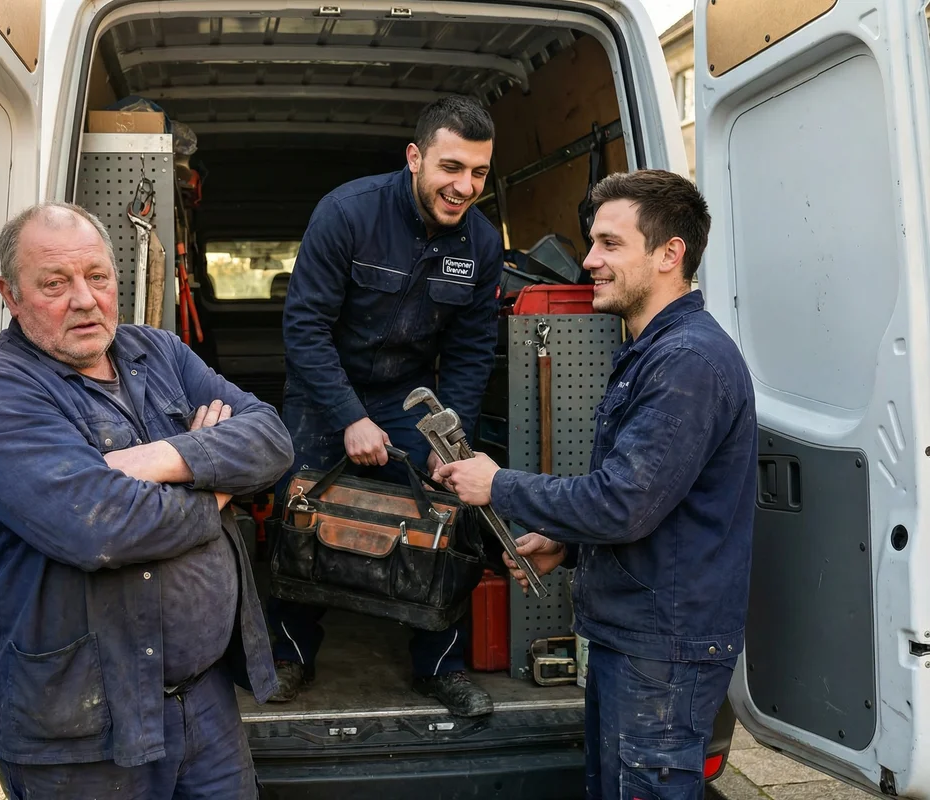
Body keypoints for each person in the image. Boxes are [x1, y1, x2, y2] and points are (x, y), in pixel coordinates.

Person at [0, 202, 294, 799]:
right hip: (83, 733)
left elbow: (271, 439)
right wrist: (218, 482)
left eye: (97, 276)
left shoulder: (157, 352)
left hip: (204, 703)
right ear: (11, 295)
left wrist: (159, 458)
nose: (84, 299)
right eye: (55, 284)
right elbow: (102, 529)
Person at [434, 170, 756, 799]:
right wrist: (568, 545)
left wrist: (498, 484)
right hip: (635, 639)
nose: (587, 260)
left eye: (610, 244)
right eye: (591, 243)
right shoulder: (652, 350)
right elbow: (660, 504)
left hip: (663, 651)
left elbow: (623, 503)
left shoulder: (686, 363)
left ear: (669, 254)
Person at [268, 95, 503, 717]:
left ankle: (440, 664)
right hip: (326, 388)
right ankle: (291, 653)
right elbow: (305, 329)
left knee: (451, 509)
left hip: (409, 396)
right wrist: (349, 416)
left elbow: (471, 352)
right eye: (451, 167)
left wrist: (447, 441)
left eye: (478, 172)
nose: (465, 186)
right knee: (300, 508)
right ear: (415, 157)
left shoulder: (481, 243)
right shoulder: (347, 213)